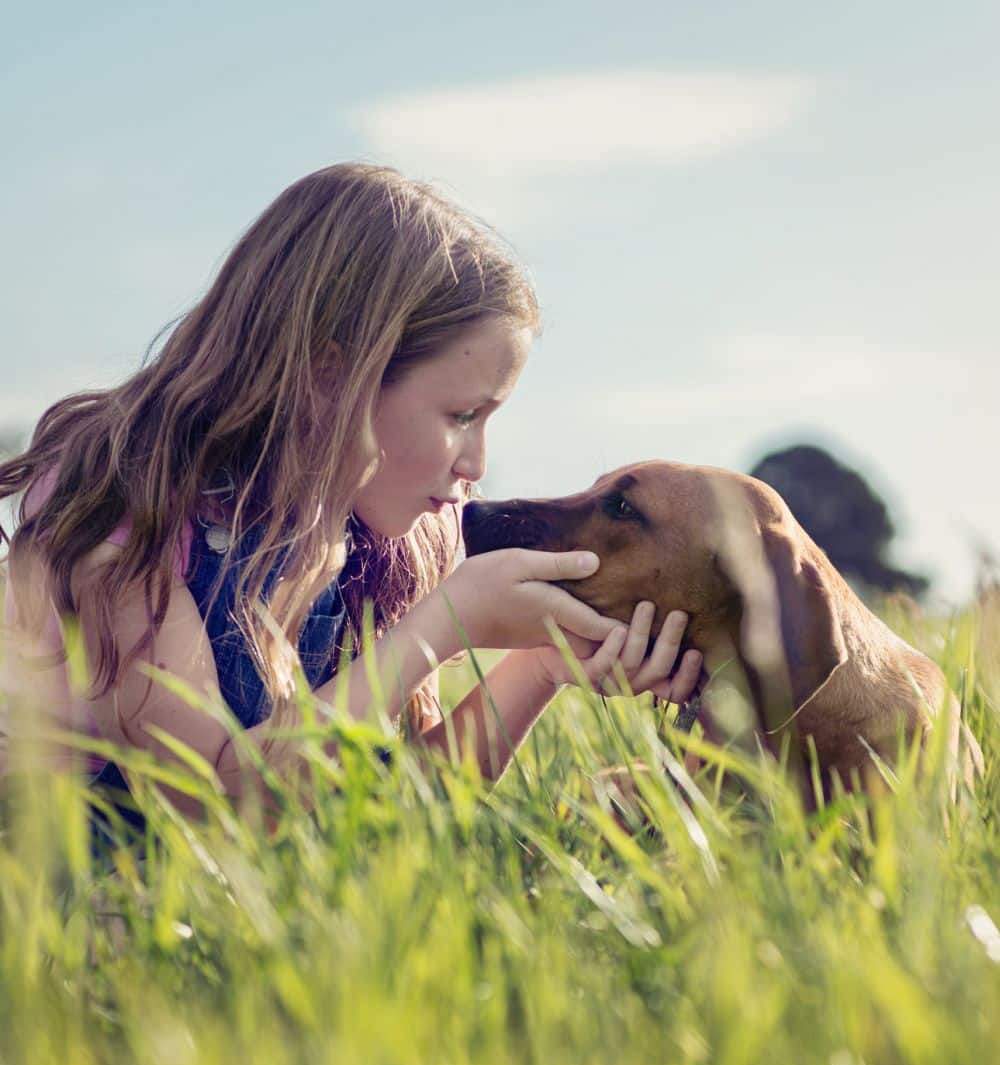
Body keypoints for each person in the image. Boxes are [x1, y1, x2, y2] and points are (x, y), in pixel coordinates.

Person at [0, 163, 702, 829]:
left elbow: (399, 814)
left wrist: (542, 666)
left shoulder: (374, 538)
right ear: (331, 377)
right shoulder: (132, 514)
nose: (477, 463)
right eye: (461, 417)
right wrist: (447, 624)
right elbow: (212, 805)